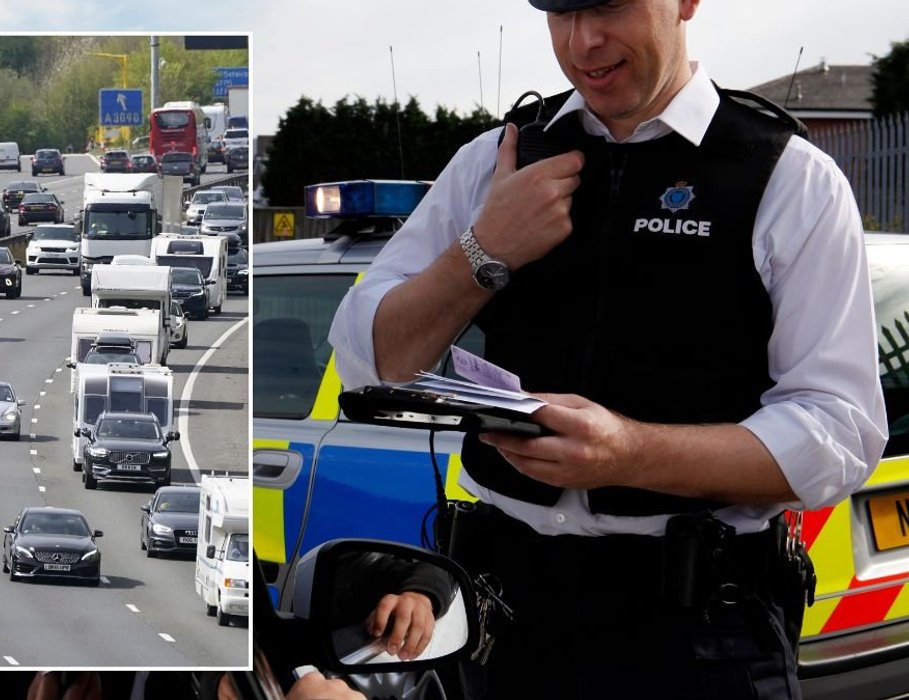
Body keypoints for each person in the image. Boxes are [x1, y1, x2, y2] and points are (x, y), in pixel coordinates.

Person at [328, 0, 887, 698]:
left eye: (608, 6)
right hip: (501, 617)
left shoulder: (787, 177)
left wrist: (629, 452)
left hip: (699, 632)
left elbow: (839, 433)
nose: (582, 41)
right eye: (559, 13)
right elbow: (370, 359)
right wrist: (483, 250)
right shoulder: (494, 160)